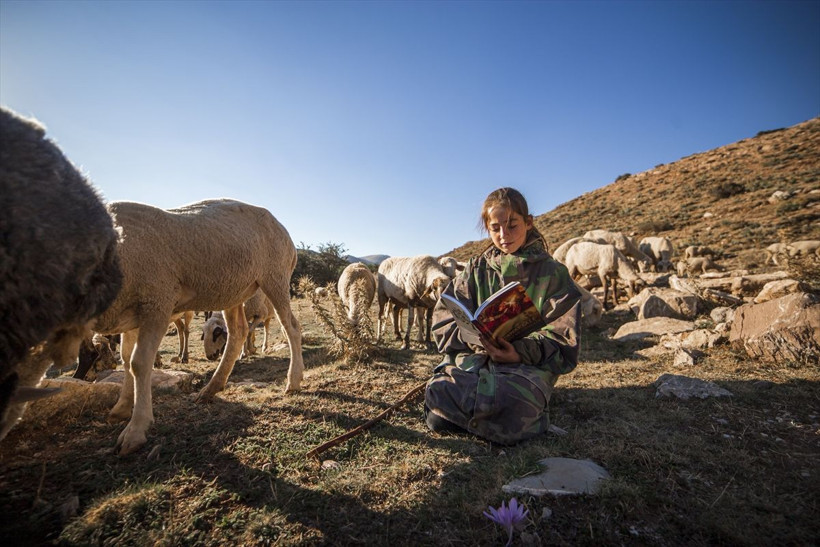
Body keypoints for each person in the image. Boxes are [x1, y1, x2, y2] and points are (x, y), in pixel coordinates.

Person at [424, 187, 582, 445]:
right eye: (495, 227)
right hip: (474, 359)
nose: (503, 235)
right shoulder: (475, 270)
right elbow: (444, 320)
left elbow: (564, 338)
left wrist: (518, 352)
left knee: (513, 405)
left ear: (528, 223)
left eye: (512, 225)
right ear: (487, 227)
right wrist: (475, 339)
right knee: (439, 400)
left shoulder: (553, 274)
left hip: (524, 367)